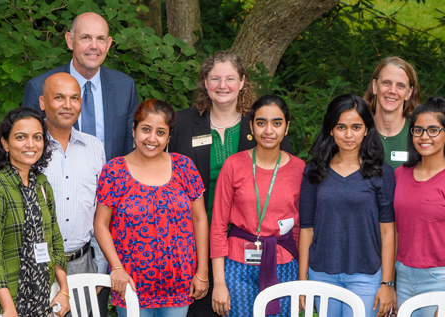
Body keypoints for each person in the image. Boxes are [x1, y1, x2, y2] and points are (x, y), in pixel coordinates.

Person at [168, 50, 293, 317]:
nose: (222, 85)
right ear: (204, 82)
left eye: (230, 78)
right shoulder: (183, 125)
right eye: (215, 78)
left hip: (244, 242)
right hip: (191, 239)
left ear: (242, 81)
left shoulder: (262, 125)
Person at [94, 99, 209, 317]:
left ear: (169, 136)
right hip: (131, 283)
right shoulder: (114, 170)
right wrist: (116, 267)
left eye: (160, 132)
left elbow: (200, 219)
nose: (152, 139)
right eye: (146, 129)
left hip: (179, 281)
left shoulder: (184, 166)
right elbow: (100, 224)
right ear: (134, 129)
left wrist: (202, 271)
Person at [298, 94, 394, 317]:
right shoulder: (314, 171)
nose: (349, 134)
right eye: (341, 127)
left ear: (367, 129)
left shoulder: (382, 173)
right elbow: (306, 229)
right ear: (331, 129)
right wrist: (303, 280)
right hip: (321, 274)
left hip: (367, 277)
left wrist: (387, 283)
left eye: (356, 127)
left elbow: (388, 231)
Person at [210, 95, 305, 317]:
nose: (268, 130)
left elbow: (301, 228)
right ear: (251, 126)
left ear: (287, 127)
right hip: (237, 266)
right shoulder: (234, 165)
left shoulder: (299, 169)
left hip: (284, 264)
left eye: (277, 123)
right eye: (261, 123)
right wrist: (219, 282)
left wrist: (302, 277)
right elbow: (218, 226)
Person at [0, 107, 70, 317]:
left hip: (43, 296)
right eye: (21, 137)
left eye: (37, 137)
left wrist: (64, 289)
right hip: (7, 301)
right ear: (5, 143)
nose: (30, 144)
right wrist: (9, 308)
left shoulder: (42, 185)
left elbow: (55, 241)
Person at [394, 97, 445, 317]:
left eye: (433, 130)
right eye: (418, 130)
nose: (424, 137)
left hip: (442, 279)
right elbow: (394, 231)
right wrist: (391, 283)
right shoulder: (399, 175)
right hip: (403, 276)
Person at [22, 11, 139, 163]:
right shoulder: (40, 87)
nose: (94, 46)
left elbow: (131, 147)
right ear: (70, 41)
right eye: (86, 38)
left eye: (100, 39)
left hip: (111, 184)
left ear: (109, 44)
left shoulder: (124, 87)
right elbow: (25, 147)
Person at [39, 73, 109, 315]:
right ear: (42, 102)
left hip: (84, 264)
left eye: (74, 98)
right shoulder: (29, 148)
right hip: (40, 266)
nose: (67, 105)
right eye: (59, 97)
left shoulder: (94, 147)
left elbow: (101, 208)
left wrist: (100, 265)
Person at [362, 56, 420, 169]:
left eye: (400, 86)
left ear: (409, 92)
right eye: (386, 83)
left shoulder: (419, 135)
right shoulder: (356, 131)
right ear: (374, 86)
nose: (392, 91)